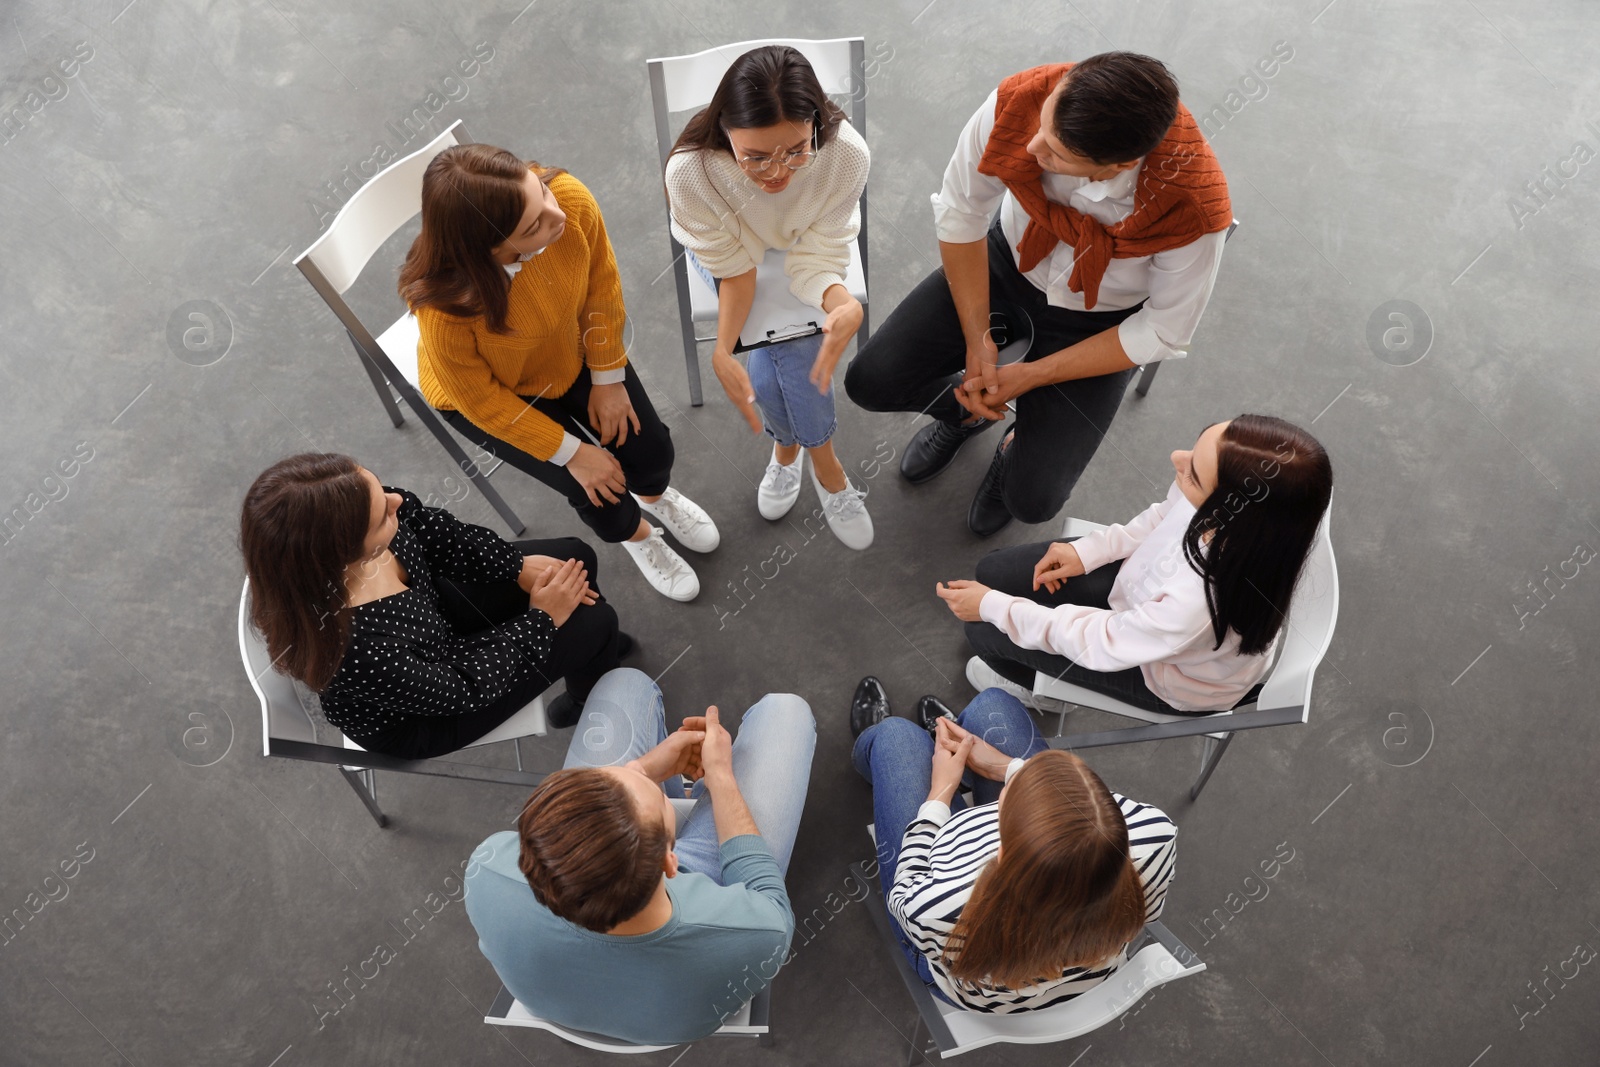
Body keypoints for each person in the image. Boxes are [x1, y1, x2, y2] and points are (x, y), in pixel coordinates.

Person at [844, 51, 1233, 536]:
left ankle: (1011, 446)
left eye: (1056, 153)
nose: (1029, 148)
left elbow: (1164, 328)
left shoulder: (1193, 206)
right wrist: (976, 337)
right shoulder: (1024, 100)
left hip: (1100, 320)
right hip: (1004, 264)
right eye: (1044, 126)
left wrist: (1031, 377)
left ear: (1117, 166)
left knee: (1032, 501)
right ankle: (967, 416)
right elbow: (961, 211)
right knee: (871, 381)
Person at [399, 143, 717, 601]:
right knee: (597, 492)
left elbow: (601, 284)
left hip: (570, 350)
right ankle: (639, 537)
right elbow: (481, 401)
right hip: (493, 397)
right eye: (534, 226)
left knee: (649, 449)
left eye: (540, 195)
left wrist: (608, 377)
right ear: (487, 251)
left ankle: (655, 498)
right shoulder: (445, 309)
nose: (557, 216)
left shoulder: (566, 197)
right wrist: (571, 452)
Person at [464, 668, 816, 1045]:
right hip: (687, 953)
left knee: (624, 682)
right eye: (662, 800)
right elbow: (767, 896)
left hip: (560, 1001)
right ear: (671, 862)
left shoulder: (486, 868)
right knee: (786, 711)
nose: (639, 775)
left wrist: (641, 770)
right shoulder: (753, 933)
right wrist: (719, 777)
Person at [937, 416, 1332, 714]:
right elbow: (1164, 515)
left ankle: (1047, 697)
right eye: (1194, 450)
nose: (1177, 459)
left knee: (983, 633)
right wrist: (1088, 552)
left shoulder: (1196, 606)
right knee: (994, 573)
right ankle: (1037, 657)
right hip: (1144, 603)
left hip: (1166, 677)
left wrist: (995, 608)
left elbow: (1099, 640)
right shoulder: (1248, 520)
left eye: (1193, 473)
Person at [240, 453, 626, 758]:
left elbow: (437, 533)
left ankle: (592, 656)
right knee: (595, 622)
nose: (397, 500)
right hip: (429, 710)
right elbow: (463, 689)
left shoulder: (358, 506)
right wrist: (542, 619)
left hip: (432, 620)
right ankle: (585, 688)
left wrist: (514, 565)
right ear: (343, 557)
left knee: (575, 558)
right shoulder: (354, 651)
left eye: (376, 486)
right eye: (383, 515)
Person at [851, 680, 1176, 1011]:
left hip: (970, 984)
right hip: (1087, 967)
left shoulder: (939, 906)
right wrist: (1006, 767)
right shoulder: (1155, 837)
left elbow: (906, 893)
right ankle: (933, 751)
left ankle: (875, 748)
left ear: (1001, 849)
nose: (1013, 784)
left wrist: (940, 792)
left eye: (1006, 799)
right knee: (992, 705)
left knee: (896, 738)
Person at [665, 45, 874, 549]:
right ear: (725, 132)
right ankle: (827, 468)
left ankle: (786, 451)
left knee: (782, 343)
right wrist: (722, 346)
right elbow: (736, 273)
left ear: (816, 125)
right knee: (791, 342)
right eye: (754, 157)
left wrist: (839, 301)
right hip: (728, 249)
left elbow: (820, 252)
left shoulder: (844, 155)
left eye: (797, 150)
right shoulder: (692, 172)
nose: (777, 173)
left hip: (806, 240)